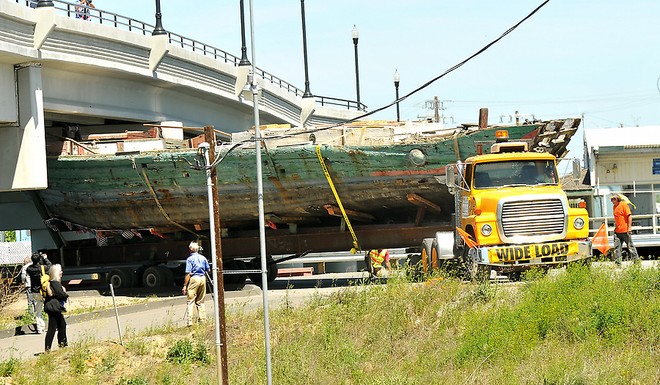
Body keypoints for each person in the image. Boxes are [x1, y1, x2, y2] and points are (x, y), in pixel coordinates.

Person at [182, 242, 210, 327]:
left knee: (190, 300)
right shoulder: (203, 258)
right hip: (202, 278)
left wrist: (185, 286)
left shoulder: (190, 259)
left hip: (194, 278)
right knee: (200, 300)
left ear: (190, 249)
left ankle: (190, 321)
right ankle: (202, 319)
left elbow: (188, 274)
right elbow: (208, 270)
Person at [44, 264, 69, 351]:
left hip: (53, 308)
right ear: (56, 273)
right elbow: (60, 294)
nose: (62, 272)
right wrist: (66, 295)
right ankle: (54, 347)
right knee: (53, 328)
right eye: (60, 271)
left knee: (61, 325)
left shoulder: (52, 283)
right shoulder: (55, 283)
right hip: (54, 308)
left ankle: (62, 345)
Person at [26, 252, 52, 334]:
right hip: (45, 291)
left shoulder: (29, 269)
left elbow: (27, 268)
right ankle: (54, 325)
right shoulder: (42, 268)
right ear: (39, 259)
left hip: (35, 292)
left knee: (38, 311)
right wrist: (45, 258)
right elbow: (50, 265)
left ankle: (39, 328)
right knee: (51, 309)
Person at [611, 193, 639, 265]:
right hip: (617, 231)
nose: (612, 201)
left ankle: (636, 262)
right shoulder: (614, 207)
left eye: (614, 199)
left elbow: (629, 216)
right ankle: (618, 263)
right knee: (617, 248)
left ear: (618, 199)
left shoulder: (623, 205)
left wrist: (629, 227)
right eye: (611, 199)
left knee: (630, 247)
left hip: (625, 230)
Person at [19, 256, 36, 331]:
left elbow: (23, 276)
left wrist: (23, 282)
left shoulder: (25, 267)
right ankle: (37, 313)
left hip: (28, 285)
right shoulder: (34, 265)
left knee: (30, 301)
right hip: (35, 285)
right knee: (36, 300)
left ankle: (31, 314)